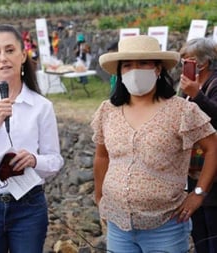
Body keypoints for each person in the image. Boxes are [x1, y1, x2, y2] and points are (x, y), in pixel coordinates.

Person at [92, 35, 217, 252]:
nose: (135, 71)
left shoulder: (181, 110)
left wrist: (198, 194)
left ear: (158, 69)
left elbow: (213, 147)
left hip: (165, 227)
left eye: (143, 63)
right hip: (118, 226)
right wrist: (99, 196)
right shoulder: (107, 111)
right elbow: (102, 156)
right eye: (128, 65)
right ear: (120, 72)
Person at [0, 24, 64, 253]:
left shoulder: (41, 106)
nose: (3, 58)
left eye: (9, 50)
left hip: (28, 206)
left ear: (23, 54)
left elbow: (55, 161)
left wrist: (34, 160)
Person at [179, 37, 217, 253]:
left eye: (190, 61)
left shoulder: (213, 83)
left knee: (213, 230)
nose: (185, 65)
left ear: (204, 62)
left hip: (212, 172)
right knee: (199, 232)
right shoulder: (187, 87)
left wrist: (198, 95)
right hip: (192, 170)